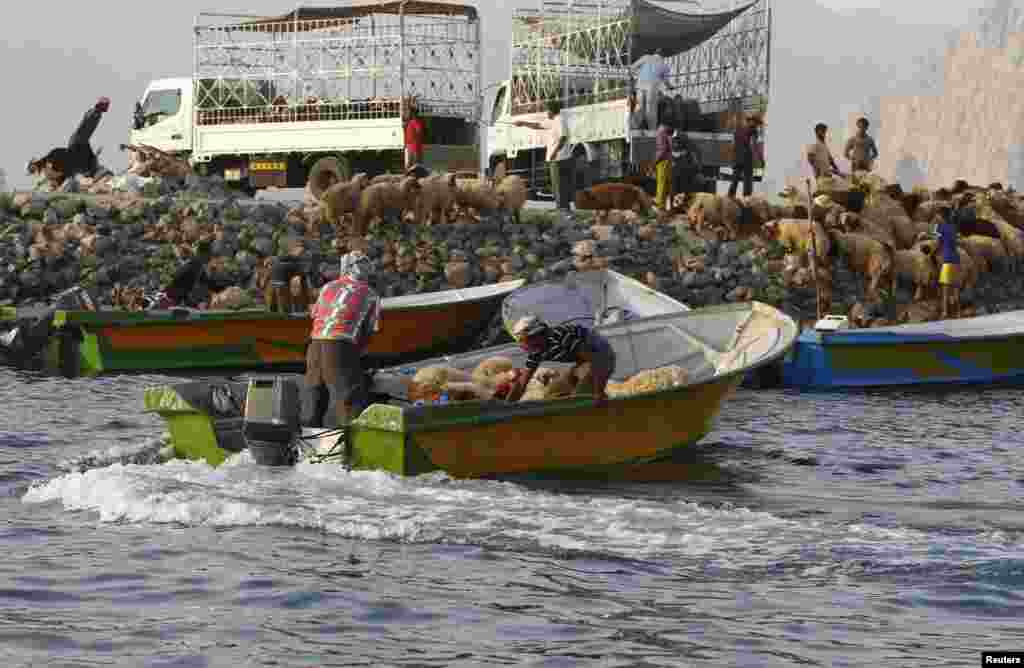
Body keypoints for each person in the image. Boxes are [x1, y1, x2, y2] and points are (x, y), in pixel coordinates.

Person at [301, 251, 382, 434]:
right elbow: (369, 331)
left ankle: (308, 441)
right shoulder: (371, 294)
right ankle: (352, 447)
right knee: (350, 397)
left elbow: (315, 315)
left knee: (314, 395)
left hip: (315, 344)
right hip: (340, 345)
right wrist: (355, 356)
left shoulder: (327, 287)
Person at [504, 315, 616, 406]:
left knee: (580, 399)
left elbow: (594, 361)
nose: (523, 347)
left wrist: (599, 392)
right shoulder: (537, 350)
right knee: (552, 395)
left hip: (600, 360)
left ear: (537, 335)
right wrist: (506, 407)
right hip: (584, 364)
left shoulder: (561, 337)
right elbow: (521, 384)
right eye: (521, 342)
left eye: (524, 341)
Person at [28, 97, 111, 190]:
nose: (108, 108)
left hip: (78, 144)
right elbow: (84, 124)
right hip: (77, 143)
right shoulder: (93, 114)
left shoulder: (97, 115)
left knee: (88, 149)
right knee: (85, 135)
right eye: (107, 105)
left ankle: (90, 173)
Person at [514, 101, 573, 217]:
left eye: (547, 110)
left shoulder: (559, 120)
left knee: (559, 184)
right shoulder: (553, 121)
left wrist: (555, 152)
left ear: (552, 111)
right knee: (557, 184)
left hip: (559, 159)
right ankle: (561, 207)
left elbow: (563, 138)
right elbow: (538, 126)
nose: (546, 113)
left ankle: (563, 209)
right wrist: (522, 123)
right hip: (556, 158)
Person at [159, 240, 213, 308]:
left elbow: (206, 285)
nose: (210, 257)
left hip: (175, 299)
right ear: (204, 254)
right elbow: (176, 283)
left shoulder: (198, 266)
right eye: (210, 254)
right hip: (169, 300)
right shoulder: (193, 266)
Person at [632, 47, 674, 134]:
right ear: (663, 56)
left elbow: (633, 67)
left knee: (639, 108)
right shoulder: (664, 65)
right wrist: (670, 87)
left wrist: (638, 75)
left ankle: (635, 128)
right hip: (652, 88)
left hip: (640, 86)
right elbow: (666, 81)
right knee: (650, 110)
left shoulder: (646, 57)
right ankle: (652, 131)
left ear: (655, 53)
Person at [938, 198, 965, 319]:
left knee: (945, 288)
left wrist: (932, 253)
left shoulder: (939, 227)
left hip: (947, 259)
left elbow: (937, 242)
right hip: (956, 259)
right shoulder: (954, 227)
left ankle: (945, 312)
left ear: (941, 216)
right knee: (955, 288)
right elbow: (957, 240)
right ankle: (958, 312)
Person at [728, 114, 762, 198]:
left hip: (737, 157)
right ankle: (746, 198)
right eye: (756, 123)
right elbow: (754, 145)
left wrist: (734, 156)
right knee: (747, 179)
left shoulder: (738, 129)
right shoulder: (753, 130)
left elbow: (732, 144)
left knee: (735, 178)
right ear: (751, 121)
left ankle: (730, 195)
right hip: (747, 157)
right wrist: (760, 158)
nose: (757, 125)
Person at [671, 126, 703, 202]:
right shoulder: (670, 136)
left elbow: (696, 150)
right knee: (676, 188)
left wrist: (698, 167)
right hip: (677, 168)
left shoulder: (683, 137)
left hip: (684, 168)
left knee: (682, 188)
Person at [654, 116, 674, 211]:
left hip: (663, 161)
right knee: (668, 184)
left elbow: (662, 149)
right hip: (669, 160)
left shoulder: (660, 131)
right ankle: (669, 206)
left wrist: (655, 161)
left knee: (661, 184)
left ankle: (660, 207)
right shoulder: (667, 132)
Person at [403, 101, 425, 171]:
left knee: (412, 162)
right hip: (411, 145)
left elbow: (419, 131)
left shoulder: (415, 122)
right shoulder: (412, 122)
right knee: (411, 162)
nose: (407, 114)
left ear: (412, 113)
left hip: (414, 145)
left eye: (408, 112)